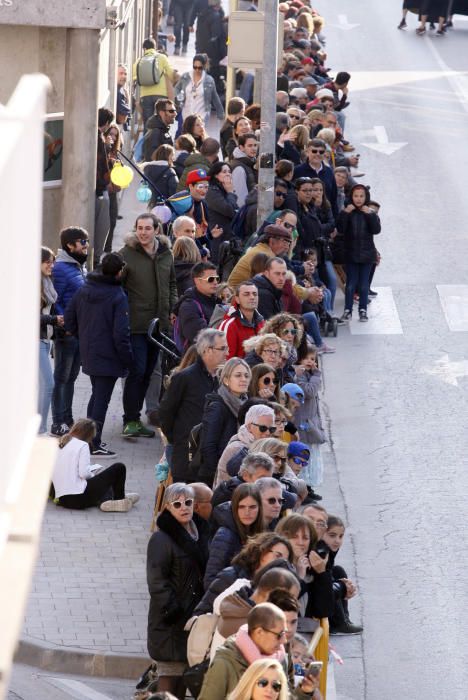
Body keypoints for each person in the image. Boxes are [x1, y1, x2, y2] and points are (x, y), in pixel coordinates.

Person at [64, 253, 133, 457]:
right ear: (119, 271)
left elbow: (69, 318)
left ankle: (86, 440)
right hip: (110, 356)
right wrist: (128, 359)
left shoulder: (85, 288)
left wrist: (82, 336)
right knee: (101, 400)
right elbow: (121, 334)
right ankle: (93, 443)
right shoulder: (118, 296)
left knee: (96, 397)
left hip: (90, 351)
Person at [147, 483, 209, 698]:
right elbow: (156, 582)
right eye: (177, 504)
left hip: (191, 619)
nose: (184, 508)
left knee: (184, 675)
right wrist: (174, 611)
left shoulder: (199, 533)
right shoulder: (161, 539)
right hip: (170, 622)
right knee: (168, 676)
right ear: (167, 508)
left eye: (188, 502)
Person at [119, 214, 177, 438]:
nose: (143, 232)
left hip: (159, 324)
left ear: (156, 230)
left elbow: (172, 283)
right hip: (136, 324)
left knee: (150, 372)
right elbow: (118, 288)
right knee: (137, 370)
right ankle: (130, 419)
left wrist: (172, 308)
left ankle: (137, 418)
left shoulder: (166, 254)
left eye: (147, 228)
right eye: (139, 228)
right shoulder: (126, 254)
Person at [158, 329, 229, 481]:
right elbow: (165, 412)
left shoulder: (220, 379)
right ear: (207, 350)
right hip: (186, 457)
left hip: (210, 456)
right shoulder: (185, 377)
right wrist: (179, 438)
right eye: (223, 348)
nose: (227, 353)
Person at [52, 419, 138, 512]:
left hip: (62, 499)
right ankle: (119, 499)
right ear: (89, 435)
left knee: (101, 480)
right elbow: (84, 474)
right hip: (78, 498)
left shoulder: (61, 443)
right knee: (119, 467)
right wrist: (92, 475)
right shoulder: (83, 445)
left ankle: (108, 500)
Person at [51, 227, 89, 437]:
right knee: (61, 378)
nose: (86, 245)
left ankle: (67, 417)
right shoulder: (60, 268)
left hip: (78, 332)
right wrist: (63, 326)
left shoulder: (77, 266)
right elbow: (54, 299)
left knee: (72, 377)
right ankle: (57, 421)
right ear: (70, 245)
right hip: (66, 334)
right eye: (83, 241)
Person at [198, 358, 251, 485]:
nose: (243, 379)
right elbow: (208, 446)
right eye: (238, 375)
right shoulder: (217, 406)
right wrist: (219, 475)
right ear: (226, 380)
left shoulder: (245, 404)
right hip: (215, 476)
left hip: (234, 471)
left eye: (246, 375)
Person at [276, 514, 334, 620]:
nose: (301, 542)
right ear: (283, 538)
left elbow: (323, 611)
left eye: (305, 538)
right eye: (294, 537)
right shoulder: (277, 565)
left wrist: (322, 573)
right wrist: (300, 577)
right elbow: (281, 604)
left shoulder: (311, 565)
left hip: (303, 628)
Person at [205, 483, 264, 588]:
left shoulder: (261, 532)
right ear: (234, 508)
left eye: (252, 507)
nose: (247, 512)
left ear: (259, 508)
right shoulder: (224, 535)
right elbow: (210, 580)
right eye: (241, 507)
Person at [336, 184, 381, 322]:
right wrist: (345, 213)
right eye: (356, 196)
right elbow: (341, 229)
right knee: (350, 284)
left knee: (363, 285)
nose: (359, 199)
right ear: (351, 197)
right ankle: (348, 309)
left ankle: (363, 310)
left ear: (366, 197)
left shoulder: (369, 212)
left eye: (362, 196)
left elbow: (376, 230)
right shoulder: (348, 212)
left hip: (367, 254)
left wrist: (371, 215)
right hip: (351, 253)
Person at [214, 404, 276, 486]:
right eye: (263, 428)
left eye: (272, 429)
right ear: (250, 427)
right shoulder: (237, 448)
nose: (268, 433)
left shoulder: (267, 446)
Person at [322, 515, 363, 635]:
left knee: (338, 570)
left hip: (324, 589)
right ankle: (339, 623)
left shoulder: (331, 548)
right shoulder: (320, 550)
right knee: (335, 580)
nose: (337, 541)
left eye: (341, 536)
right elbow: (324, 579)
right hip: (316, 596)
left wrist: (344, 586)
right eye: (332, 535)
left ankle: (344, 619)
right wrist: (342, 587)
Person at [293, 344, 325, 489]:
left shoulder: (309, 375)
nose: (309, 361)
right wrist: (317, 375)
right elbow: (309, 391)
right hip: (303, 424)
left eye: (312, 358)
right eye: (306, 358)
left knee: (310, 457)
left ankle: (308, 487)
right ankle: (304, 486)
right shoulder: (300, 376)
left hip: (310, 422)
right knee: (304, 456)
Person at [39, 247, 63, 434]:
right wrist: (55, 320)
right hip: (35, 341)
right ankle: (40, 430)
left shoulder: (47, 282)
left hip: (46, 341)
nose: (51, 265)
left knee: (40, 386)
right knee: (48, 385)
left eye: (52, 262)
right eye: (47, 262)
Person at [228, 224, 292, 289]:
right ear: (272, 241)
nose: (287, 247)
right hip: (238, 295)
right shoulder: (266, 256)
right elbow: (276, 284)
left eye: (288, 243)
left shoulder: (261, 249)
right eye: (284, 242)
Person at [133, 38, 175, 128]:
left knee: (148, 123)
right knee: (161, 121)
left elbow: (134, 78)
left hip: (145, 95)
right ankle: (160, 140)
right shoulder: (162, 57)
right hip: (161, 95)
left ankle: (148, 140)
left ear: (144, 49)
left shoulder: (139, 61)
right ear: (155, 48)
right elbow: (171, 73)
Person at [219, 282, 264, 359]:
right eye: (246, 294)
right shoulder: (229, 325)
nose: (252, 297)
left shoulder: (262, 323)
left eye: (255, 294)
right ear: (237, 299)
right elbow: (223, 361)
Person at [294, 139, 338, 217]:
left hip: (326, 217)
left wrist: (335, 222)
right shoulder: (297, 171)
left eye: (321, 152)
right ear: (307, 152)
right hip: (305, 217)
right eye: (314, 151)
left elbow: (333, 199)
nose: (318, 154)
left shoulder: (329, 172)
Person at [205, 162, 239, 263]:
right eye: (224, 172)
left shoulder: (223, 190)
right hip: (217, 238)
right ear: (216, 175)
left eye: (229, 171)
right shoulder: (212, 191)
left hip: (227, 237)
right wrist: (230, 193)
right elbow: (230, 210)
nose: (228, 174)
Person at [175, 53, 224, 122]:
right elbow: (177, 88)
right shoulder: (185, 77)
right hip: (186, 114)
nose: (197, 70)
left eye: (200, 68)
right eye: (195, 67)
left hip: (202, 116)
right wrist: (178, 96)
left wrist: (220, 112)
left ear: (204, 66)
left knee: (198, 132)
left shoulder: (209, 80)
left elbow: (214, 97)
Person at [95, 107, 114, 266]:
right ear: (107, 123)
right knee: (103, 225)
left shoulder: (95, 136)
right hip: (99, 190)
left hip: (95, 188)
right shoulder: (99, 137)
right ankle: (96, 258)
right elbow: (102, 166)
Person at [103, 123, 122, 254]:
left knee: (112, 220)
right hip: (103, 190)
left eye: (116, 135)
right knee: (104, 221)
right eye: (111, 134)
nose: (113, 138)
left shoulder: (116, 153)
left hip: (113, 191)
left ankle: (108, 249)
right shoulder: (102, 149)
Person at [230, 133, 258, 208]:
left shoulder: (252, 162)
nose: (254, 148)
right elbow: (240, 199)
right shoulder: (239, 168)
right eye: (250, 146)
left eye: (255, 145)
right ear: (241, 147)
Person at [116, 64, 131, 131]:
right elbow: (122, 119)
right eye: (121, 73)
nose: (124, 76)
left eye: (125, 74)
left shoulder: (123, 90)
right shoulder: (118, 92)